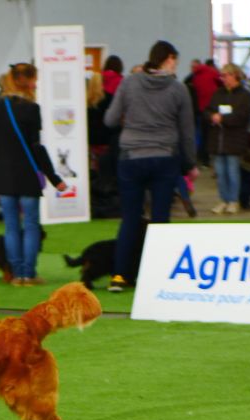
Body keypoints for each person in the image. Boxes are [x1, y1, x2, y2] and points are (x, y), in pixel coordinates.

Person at [104, 40, 196, 291]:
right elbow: (187, 132)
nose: (176, 65)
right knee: (160, 220)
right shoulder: (178, 90)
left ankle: (119, 276)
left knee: (130, 218)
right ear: (167, 59)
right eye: (175, 60)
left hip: (131, 157)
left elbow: (110, 119)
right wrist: (190, 164)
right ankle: (157, 276)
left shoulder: (129, 83)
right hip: (164, 158)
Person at [0, 63, 66, 286]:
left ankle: (16, 274)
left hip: (4, 174)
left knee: (10, 227)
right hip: (27, 174)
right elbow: (36, 147)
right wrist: (53, 177)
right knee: (30, 225)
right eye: (34, 79)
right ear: (27, 80)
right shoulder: (32, 108)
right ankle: (29, 274)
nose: (36, 84)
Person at [205, 63, 250, 214]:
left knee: (232, 171)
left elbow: (243, 116)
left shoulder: (245, 95)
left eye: (225, 76)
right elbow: (207, 110)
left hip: (235, 140)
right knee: (220, 172)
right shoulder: (218, 93)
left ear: (235, 75)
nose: (223, 79)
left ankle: (233, 200)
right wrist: (212, 116)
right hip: (218, 140)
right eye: (222, 76)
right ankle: (223, 200)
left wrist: (222, 119)